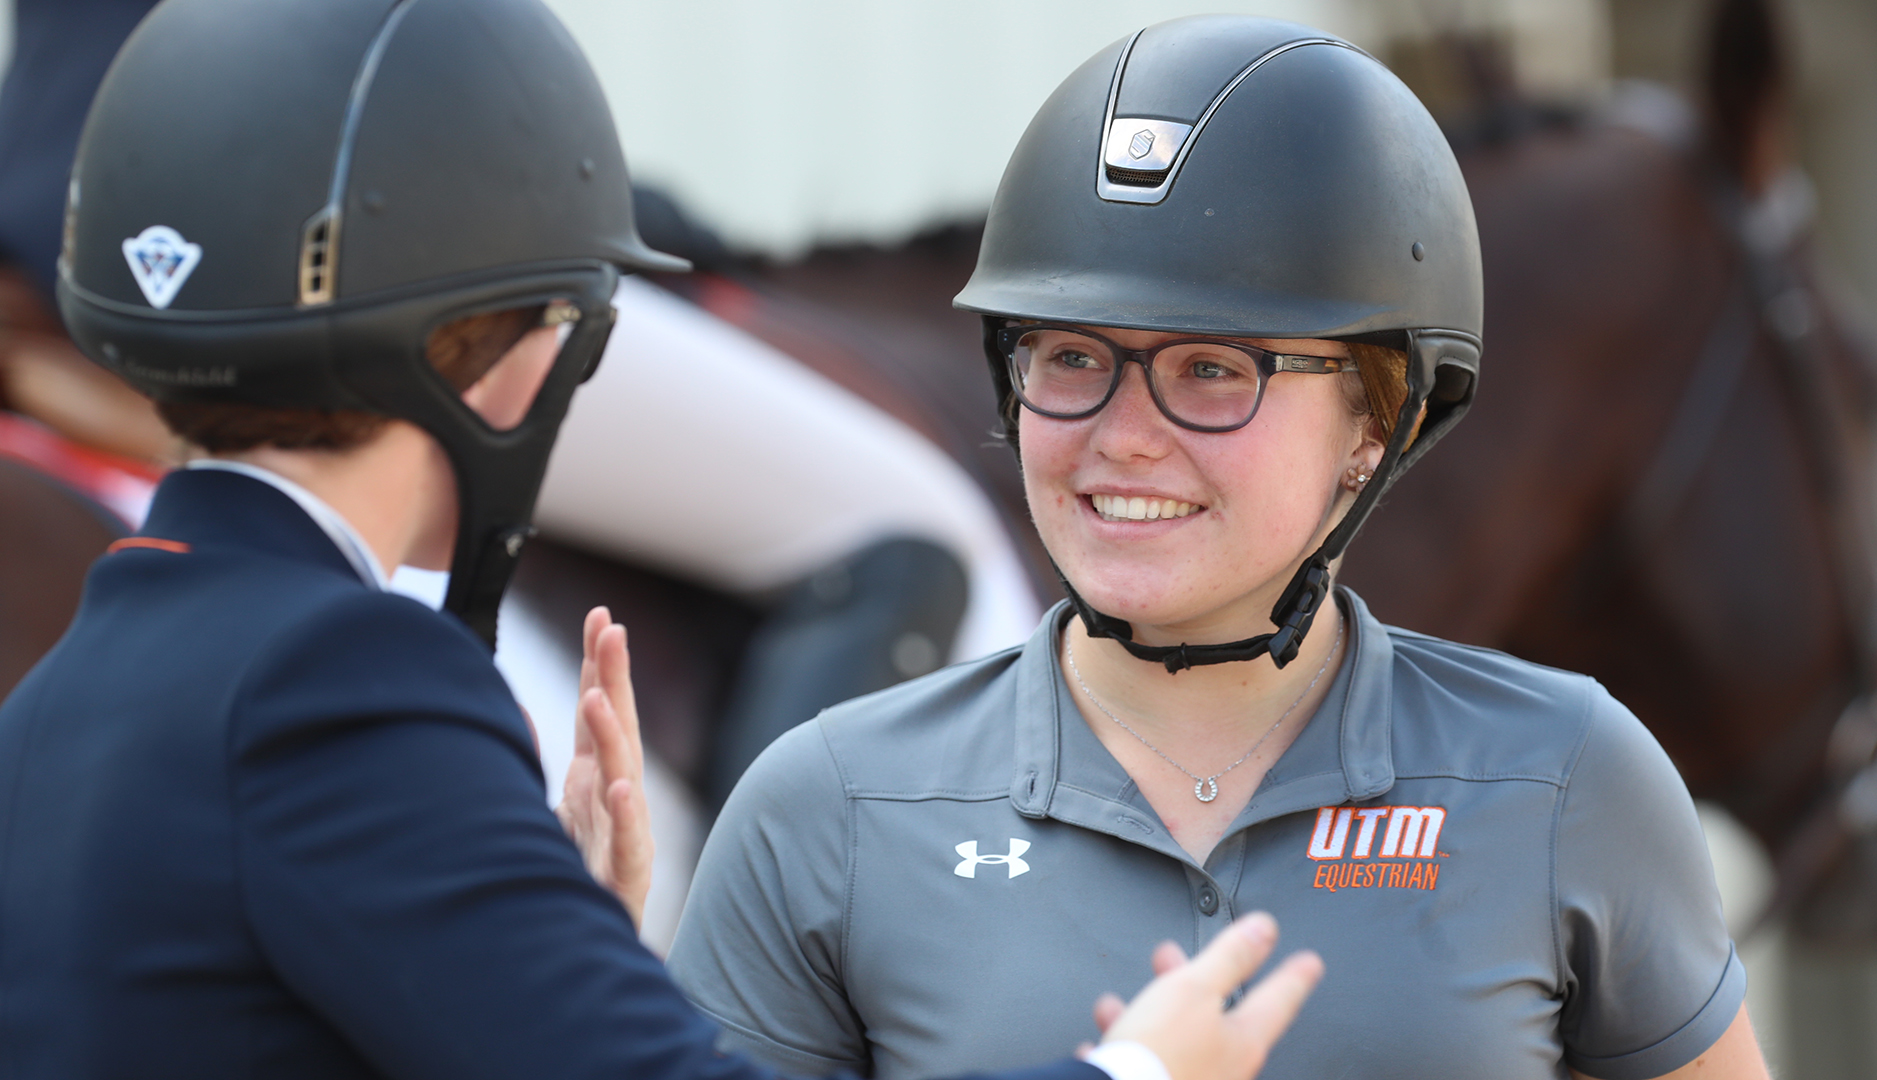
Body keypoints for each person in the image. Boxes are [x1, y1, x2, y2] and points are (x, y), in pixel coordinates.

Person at [0, 1, 1324, 1078]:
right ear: (522, 359)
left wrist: (538, 936)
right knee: (912, 528)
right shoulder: (335, 680)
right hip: (334, 196)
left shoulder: (58, 703)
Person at [666, 15, 1772, 1080]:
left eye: (1212, 369)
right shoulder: (828, 810)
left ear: (1376, 427)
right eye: (1070, 358)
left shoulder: (1567, 776)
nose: (1122, 439)